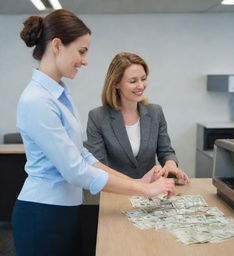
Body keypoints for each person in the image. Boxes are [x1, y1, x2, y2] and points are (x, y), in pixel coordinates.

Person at [12, 10, 176, 256]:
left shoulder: (59, 94)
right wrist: (145, 190)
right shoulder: (37, 100)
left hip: (65, 209)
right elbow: (75, 171)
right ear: (57, 45)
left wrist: (136, 182)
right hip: (42, 213)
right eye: (81, 51)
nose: (85, 60)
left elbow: (84, 158)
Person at [85, 52, 189, 184]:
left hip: (150, 193)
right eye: (133, 81)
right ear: (116, 83)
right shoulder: (97, 117)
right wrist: (136, 184)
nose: (141, 86)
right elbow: (98, 166)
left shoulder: (155, 112)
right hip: (116, 191)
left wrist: (170, 164)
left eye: (143, 79)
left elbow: (166, 151)